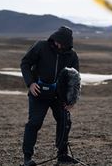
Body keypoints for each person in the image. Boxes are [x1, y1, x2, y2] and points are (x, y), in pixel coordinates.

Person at [20, 26, 79, 166]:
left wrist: (71, 100)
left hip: (58, 95)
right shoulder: (41, 46)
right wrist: (31, 83)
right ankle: (27, 158)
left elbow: (75, 79)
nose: (58, 45)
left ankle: (62, 155)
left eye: (62, 44)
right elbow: (25, 63)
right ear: (54, 38)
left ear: (67, 44)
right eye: (57, 41)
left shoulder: (71, 55)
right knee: (34, 123)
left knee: (65, 121)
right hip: (38, 92)